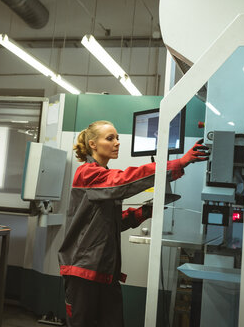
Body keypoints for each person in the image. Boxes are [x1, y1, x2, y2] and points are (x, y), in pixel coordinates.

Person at [58, 120, 209, 327]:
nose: (117, 142)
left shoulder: (102, 177)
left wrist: (144, 212)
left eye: (118, 138)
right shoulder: (88, 173)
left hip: (104, 270)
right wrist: (178, 163)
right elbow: (124, 181)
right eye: (110, 138)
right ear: (93, 144)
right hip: (83, 270)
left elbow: (110, 223)